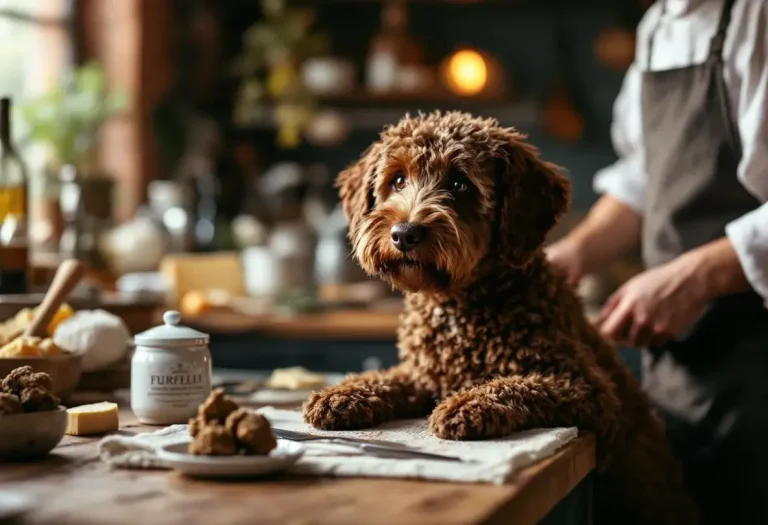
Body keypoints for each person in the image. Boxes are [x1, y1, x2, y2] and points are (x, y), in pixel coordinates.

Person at [546, 0, 768, 523]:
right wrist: (574, 253)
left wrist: (695, 276)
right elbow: (646, 177)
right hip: (683, 369)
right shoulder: (658, 26)